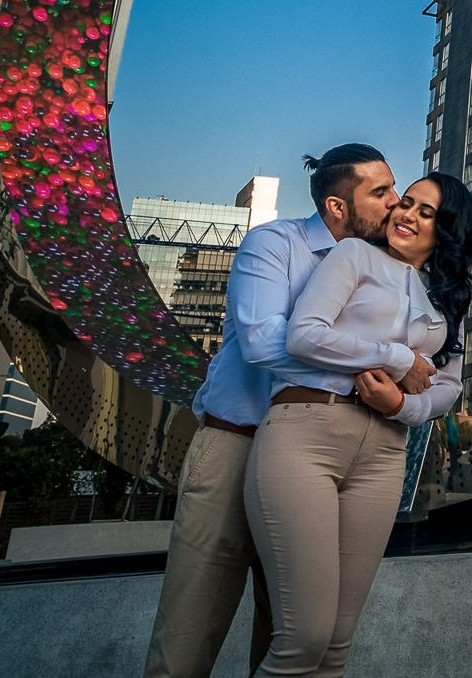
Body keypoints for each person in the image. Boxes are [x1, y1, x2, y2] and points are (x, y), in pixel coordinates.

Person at [145, 144, 435, 678]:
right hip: (238, 445)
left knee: (297, 638)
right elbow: (265, 342)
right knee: (188, 635)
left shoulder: (388, 271)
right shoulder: (275, 244)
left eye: (396, 189)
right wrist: (387, 362)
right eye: (381, 193)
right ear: (337, 206)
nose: (397, 203)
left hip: (323, 455)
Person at [243, 172, 472, 676]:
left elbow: (447, 388)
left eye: (426, 211)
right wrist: (397, 359)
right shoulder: (355, 256)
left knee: (336, 647)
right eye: (406, 202)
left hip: (385, 453)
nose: (406, 214)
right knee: (302, 639)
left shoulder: (450, 299)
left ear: (447, 230)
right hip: (307, 433)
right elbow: (304, 336)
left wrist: (399, 406)